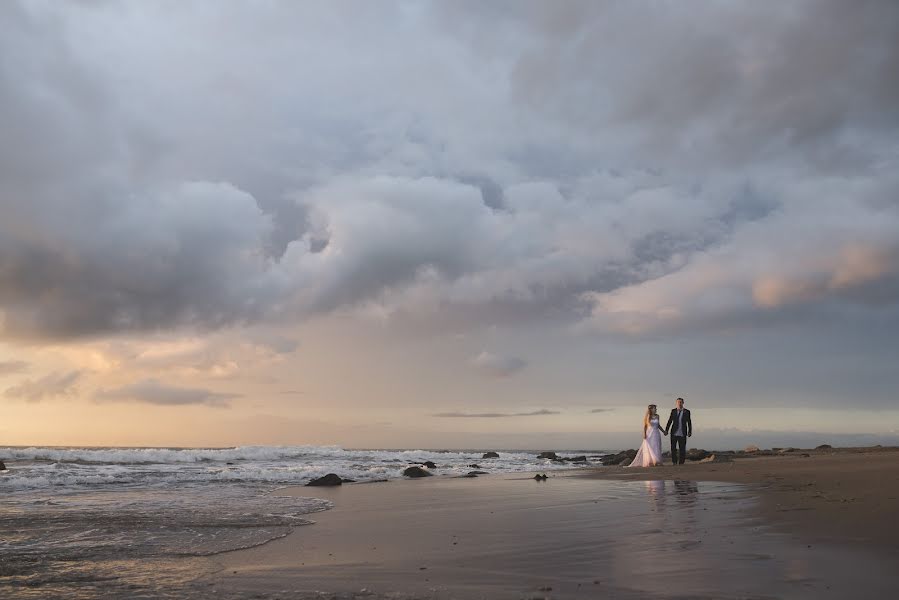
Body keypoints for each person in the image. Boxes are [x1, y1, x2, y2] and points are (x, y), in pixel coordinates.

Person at [664, 397, 692, 465]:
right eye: (678, 402)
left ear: (683, 403)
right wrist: (666, 430)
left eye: (681, 402)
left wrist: (689, 431)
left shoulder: (687, 411)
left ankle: (681, 462)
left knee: (682, 448)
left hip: (682, 433)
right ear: (676, 403)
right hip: (674, 432)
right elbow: (670, 421)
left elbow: (689, 422)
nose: (679, 403)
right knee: (673, 448)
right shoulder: (673, 411)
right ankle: (674, 462)